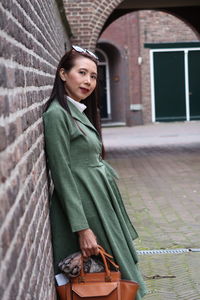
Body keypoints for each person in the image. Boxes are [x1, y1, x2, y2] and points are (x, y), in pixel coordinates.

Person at [43, 45, 147, 299]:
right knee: (103, 278)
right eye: (82, 73)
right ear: (63, 74)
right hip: (86, 204)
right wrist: (82, 229)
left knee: (117, 269)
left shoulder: (77, 111)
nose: (88, 81)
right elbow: (61, 173)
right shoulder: (57, 115)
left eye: (93, 76)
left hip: (99, 199)